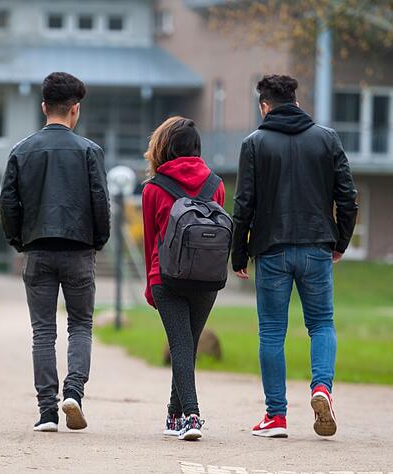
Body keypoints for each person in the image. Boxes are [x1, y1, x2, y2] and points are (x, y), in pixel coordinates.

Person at [232, 74, 358, 438]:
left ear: (264, 106)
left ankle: (276, 417)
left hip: (271, 250)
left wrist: (238, 252)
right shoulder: (326, 138)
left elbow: (244, 205)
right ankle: (321, 389)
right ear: (297, 102)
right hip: (318, 247)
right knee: (321, 324)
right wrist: (340, 242)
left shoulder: (254, 143)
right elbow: (347, 197)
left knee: (272, 331)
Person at [0, 72, 110, 432]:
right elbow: (100, 203)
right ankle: (73, 393)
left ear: (44, 106)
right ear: (75, 110)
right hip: (79, 251)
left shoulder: (21, 150)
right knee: (80, 325)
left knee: (43, 331)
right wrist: (98, 241)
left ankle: (47, 411)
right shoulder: (90, 152)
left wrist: (20, 240)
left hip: (38, 250)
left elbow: (8, 204)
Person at [141, 117, 227, 441]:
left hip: (167, 277)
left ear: (163, 147)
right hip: (207, 278)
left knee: (181, 345)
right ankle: (173, 415)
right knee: (185, 346)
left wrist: (151, 286)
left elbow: (151, 241)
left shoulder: (153, 188)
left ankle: (191, 415)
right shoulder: (215, 184)